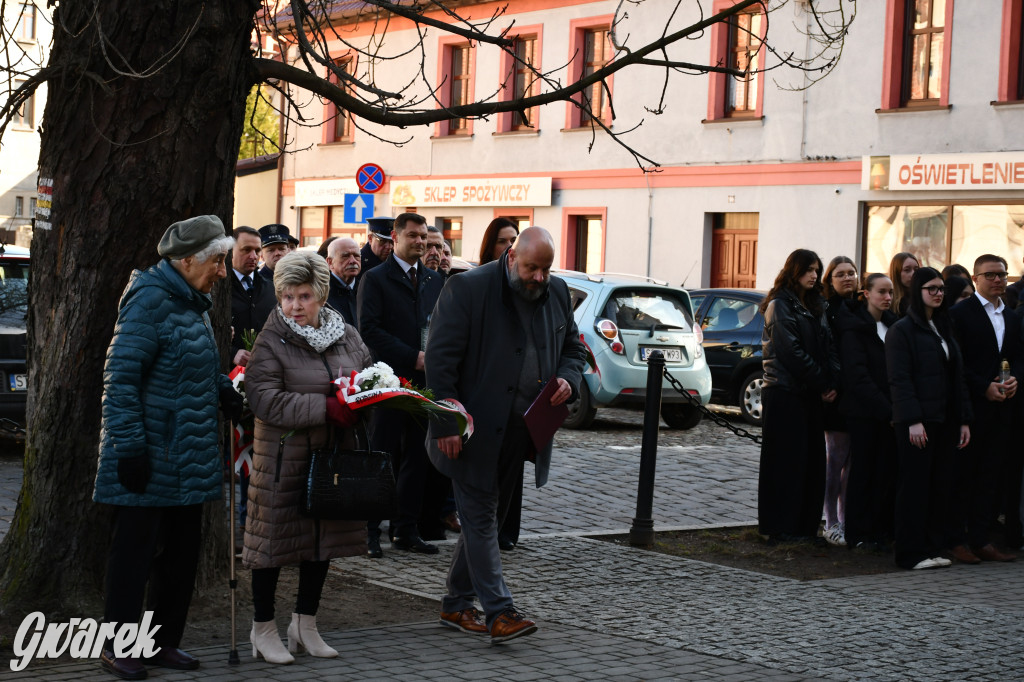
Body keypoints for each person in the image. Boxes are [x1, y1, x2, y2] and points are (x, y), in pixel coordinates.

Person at [94, 215, 241, 679]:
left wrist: (223, 389)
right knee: (132, 559)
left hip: (191, 453)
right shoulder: (149, 302)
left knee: (180, 560)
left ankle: (160, 644)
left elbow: (190, 366)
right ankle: (118, 647)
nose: (223, 271)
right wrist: (130, 448)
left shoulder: (191, 302)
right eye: (217, 261)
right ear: (184, 260)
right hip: (150, 453)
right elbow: (119, 381)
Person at [425, 226, 586, 643]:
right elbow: (441, 363)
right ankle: (500, 612)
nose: (539, 278)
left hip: (523, 429)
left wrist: (569, 378)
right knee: (479, 518)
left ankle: (456, 604)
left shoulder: (556, 291)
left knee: (490, 520)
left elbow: (573, 348)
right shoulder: (467, 288)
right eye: (532, 268)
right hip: (471, 429)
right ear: (512, 258)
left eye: (546, 270)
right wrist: (447, 421)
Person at [243, 251, 374, 664]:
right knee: (273, 544)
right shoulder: (271, 339)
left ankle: (305, 623)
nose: (294, 306)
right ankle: (262, 628)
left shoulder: (347, 334)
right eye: (286, 297)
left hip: (335, 455)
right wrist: (326, 409)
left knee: (324, 539)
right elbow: (264, 398)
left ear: (321, 295)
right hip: (283, 459)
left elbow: (368, 373)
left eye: (303, 296)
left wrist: (363, 398)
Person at [357, 212, 447, 557]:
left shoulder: (433, 280)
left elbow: (438, 326)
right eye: (413, 236)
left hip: (424, 383)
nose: (421, 242)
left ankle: (405, 529)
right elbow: (370, 329)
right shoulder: (376, 279)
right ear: (395, 238)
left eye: (423, 236)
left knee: (417, 456)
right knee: (382, 455)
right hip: (388, 380)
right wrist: (413, 356)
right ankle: (368, 531)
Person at [885, 267, 971, 570]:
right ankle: (910, 552)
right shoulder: (902, 330)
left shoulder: (944, 327)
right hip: (918, 422)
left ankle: (933, 547)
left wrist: (962, 419)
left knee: (940, 485)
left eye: (940, 289)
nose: (938, 293)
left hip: (945, 420)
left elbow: (956, 377)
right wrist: (912, 420)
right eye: (931, 288)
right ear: (917, 292)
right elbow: (900, 379)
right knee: (914, 487)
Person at [757, 249, 839, 545]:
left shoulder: (816, 305)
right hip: (784, 391)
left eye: (817, 270)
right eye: (808, 270)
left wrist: (830, 380)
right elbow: (790, 352)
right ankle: (781, 527)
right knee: (786, 463)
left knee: (810, 463)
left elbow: (828, 344)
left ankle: (805, 527)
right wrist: (821, 381)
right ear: (795, 271)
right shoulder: (780, 304)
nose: (814, 275)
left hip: (809, 394)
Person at [948, 255, 1021, 562]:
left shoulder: (1014, 317)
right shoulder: (960, 313)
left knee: (991, 476)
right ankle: (956, 540)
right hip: (971, 407)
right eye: (990, 275)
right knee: (963, 476)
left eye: (1002, 275)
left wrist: (1017, 379)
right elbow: (956, 361)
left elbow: (1019, 356)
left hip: (1004, 408)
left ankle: (981, 539)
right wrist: (983, 387)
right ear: (975, 278)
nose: (997, 280)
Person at [836, 273, 898, 551]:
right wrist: (886, 408)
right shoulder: (855, 328)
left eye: (890, 293)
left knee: (885, 471)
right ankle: (858, 531)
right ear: (866, 294)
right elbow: (858, 375)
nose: (887, 297)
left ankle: (879, 528)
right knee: (863, 471)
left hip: (890, 411)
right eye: (882, 292)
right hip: (864, 411)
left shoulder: (892, 326)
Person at [229, 225, 277, 544]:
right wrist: (231, 353)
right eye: (246, 250)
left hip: (262, 381)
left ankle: (251, 522)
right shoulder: (220, 285)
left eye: (257, 250)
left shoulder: (267, 285)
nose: (253, 256)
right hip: (229, 381)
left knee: (256, 453)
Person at [821, 256, 858, 547]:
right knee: (835, 460)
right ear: (830, 280)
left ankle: (846, 520)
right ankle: (830, 520)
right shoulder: (826, 309)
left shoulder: (860, 307)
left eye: (851, 273)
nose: (847, 278)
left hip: (858, 394)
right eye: (840, 274)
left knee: (852, 464)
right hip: (837, 395)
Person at [325, 237, 361, 326]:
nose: (353, 261)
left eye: (356, 256)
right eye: (345, 256)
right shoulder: (321, 292)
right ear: (330, 262)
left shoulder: (368, 289)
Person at [357, 216, 395, 284]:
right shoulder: (358, 262)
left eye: (392, 242)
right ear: (370, 238)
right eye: (382, 241)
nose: (389, 247)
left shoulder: (397, 261)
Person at [889, 252, 919, 317]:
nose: (913, 274)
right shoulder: (888, 300)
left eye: (916, 270)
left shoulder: (922, 297)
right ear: (896, 273)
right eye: (907, 270)